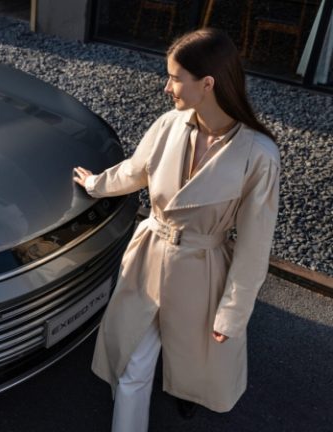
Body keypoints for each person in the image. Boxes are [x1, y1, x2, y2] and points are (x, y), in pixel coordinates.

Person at [73, 28, 280, 432]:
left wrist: (232, 314)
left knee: (189, 360)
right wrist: (96, 184)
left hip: (202, 270)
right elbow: (136, 170)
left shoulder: (258, 155)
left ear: (207, 83)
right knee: (132, 363)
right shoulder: (169, 124)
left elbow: (255, 246)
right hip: (149, 255)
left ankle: (186, 395)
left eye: (174, 78)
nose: (166, 87)